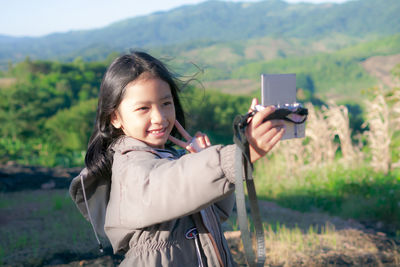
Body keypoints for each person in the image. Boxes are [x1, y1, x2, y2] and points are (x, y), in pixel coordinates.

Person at [70, 51, 285, 267]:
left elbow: (217, 213)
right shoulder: (130, 167)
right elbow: (170, 183)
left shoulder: (170, 158)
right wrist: (236, 156)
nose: (160, 117)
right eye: (143, 108)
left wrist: (203, 159)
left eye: (166, 103)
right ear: (115, 117)